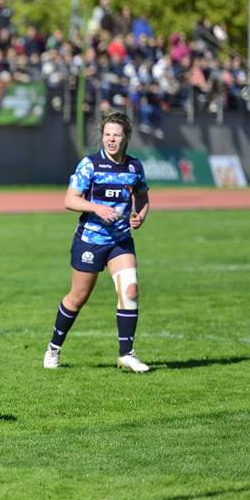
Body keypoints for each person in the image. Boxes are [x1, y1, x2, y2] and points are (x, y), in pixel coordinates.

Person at [44, 110, 150, 372]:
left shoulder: (134, 167)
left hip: (120, 240)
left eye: (116, 135)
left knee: (130, 290)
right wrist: (96, 208)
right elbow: (70, 200)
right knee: (77, 297)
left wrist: (140, 216)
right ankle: (54, 348)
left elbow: (142, 197)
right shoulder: (90, 165)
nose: (111, 139)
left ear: (126, 137)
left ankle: (127, 354)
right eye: (107, 135)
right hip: (91, 240)